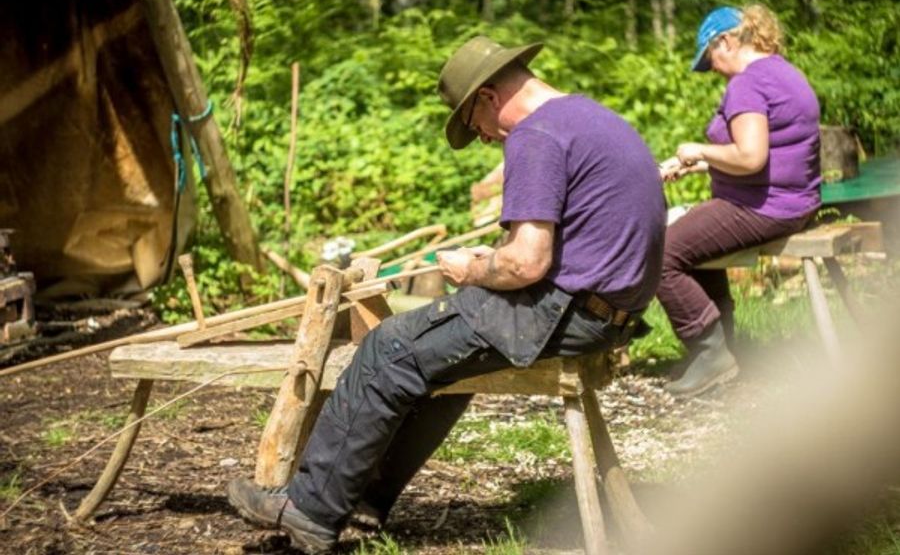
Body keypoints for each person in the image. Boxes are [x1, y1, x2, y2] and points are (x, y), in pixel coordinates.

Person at [226, 35, 666, 553]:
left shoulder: (535, 134)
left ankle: (309, 509)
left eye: (472, 122)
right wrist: (495, 261)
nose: (481, 137)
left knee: (387, 350)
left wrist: (476, 268)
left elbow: (526, 260)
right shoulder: (587, 116)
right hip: (606, 310)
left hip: (565, 312)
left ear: (487, 95)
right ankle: (366, 500)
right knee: (431, 357)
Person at [658, 5, 821, 398]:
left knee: (659, 252)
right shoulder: (785, 72)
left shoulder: (746, 85)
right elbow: (773, 153)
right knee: (693, 236)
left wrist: (697, 147)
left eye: (709, 58)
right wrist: (697, 165)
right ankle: (724, 348)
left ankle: (710, 350)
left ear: (727, 41)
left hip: (764, 208)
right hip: (796, 201)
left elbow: (750, 158)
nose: (711, 68)